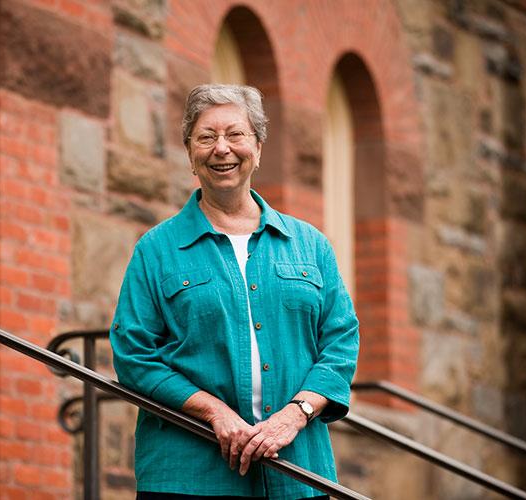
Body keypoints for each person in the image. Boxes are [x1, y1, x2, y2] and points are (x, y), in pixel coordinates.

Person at [110, 83, 359, 500]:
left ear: (258, 148)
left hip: (298, 473)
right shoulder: (156, 250)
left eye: (236, 134)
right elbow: (134, 354)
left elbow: (340, 342)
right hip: (188, 474)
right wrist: (214, 412)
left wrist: (295, 416)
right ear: (190, 153)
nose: (221, 148)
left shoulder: (310, 244)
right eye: (206, 137)